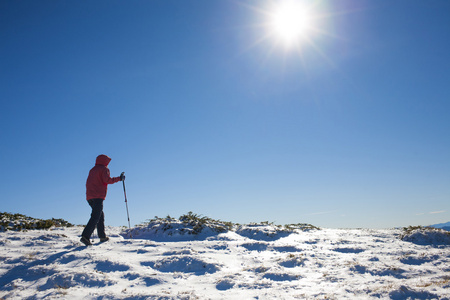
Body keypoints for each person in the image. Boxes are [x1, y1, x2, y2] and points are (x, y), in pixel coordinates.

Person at [80, 154, 125, 246]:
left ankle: (102, 236)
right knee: (96, 216)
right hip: (98, 196)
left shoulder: (92, 170)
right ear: (104, 161)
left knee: (100, 215)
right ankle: (85, 236)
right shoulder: (104, 169)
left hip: (89, 196)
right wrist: (119, 179)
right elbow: (107, 180)